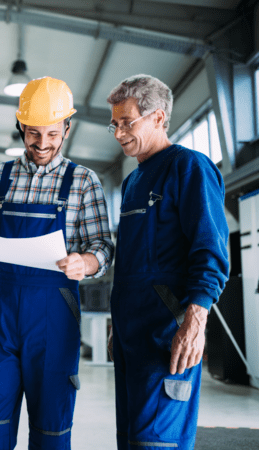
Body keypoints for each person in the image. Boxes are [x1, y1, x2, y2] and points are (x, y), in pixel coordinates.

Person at [0, 76, 114, 450]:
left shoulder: (84, 182)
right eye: (33, 133)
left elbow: (103, 245)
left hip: (54, 316)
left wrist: (84, 263)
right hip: (0, 316)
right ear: (20, 126)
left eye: (52, 134)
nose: (42, 144)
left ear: (67, 129)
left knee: (51, 429)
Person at [106, 74, 229, 450]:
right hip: (131, 338)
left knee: (157, 442)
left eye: (127, 122)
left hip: (167, 335)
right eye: (114, 124)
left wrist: (196, 319)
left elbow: (210, 248)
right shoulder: (132, 183)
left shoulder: (189, 168)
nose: (118, 133)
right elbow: (127, 264)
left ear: (158, 118)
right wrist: (117, 325)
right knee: (129, 440)